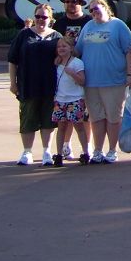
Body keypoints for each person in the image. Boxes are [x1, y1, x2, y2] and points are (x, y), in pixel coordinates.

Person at [74, 0, 131, 163]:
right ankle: (98, 150)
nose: (93, 12)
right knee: (96, 118)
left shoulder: (118, 25)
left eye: (96, 8)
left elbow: (129, 51)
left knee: (113, 117)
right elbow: (77, 50)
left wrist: (130, 75)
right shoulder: (88, 26)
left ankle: (112, 150)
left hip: (114, 81)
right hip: (91, 82)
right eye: (90, 10)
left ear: (105, 7)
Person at [7, 2, 61, 166]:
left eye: (44, 17)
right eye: (37, 16)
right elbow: (12, 60)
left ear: (50, 18)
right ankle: (27, 152)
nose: (40, 20)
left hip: (50, 86)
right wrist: (13, 83)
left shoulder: (56, 36)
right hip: (28, 85)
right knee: (28, 119)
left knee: (48, 120)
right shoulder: (24, 35)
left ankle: (46, 152)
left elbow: (64, 56)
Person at [52, 36, 90, 165]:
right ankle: (58, 154)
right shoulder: (57, 63)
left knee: (79, 126)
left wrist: (72, 73)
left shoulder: (77, 63)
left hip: (75, 99)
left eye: (64, 46)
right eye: (59, 47)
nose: (61, 49)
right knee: (61, 127)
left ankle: (85, 153)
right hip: (60, 99)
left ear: (71, 48)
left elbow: (82, 81)